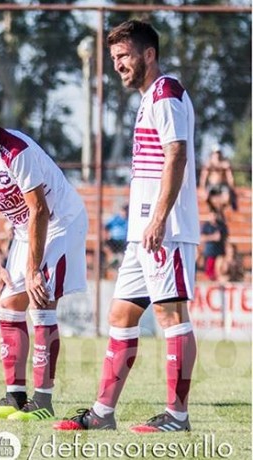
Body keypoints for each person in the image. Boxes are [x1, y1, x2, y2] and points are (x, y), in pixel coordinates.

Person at [54, 19, 199, 433]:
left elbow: (176, 155)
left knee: (172, 315)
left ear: (148, 54)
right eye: (114, 57)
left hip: (166, 230)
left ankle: (177, 416)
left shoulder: (166, 92)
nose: (118, 64)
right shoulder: (149, 97)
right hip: (142, 234)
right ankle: (103, 413)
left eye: (124, 55)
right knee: (121, 314)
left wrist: (159, 218)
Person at [0, 89, 88, 422]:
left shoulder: (15, 150)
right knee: (8, 305)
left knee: (41, 300)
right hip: (26, 229)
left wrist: (33, 268)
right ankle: (14, 396)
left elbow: (39, 209)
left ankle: (43, 401)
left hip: (60, 222)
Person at [199, 146, 236, 211]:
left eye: (218, 153)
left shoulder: (225, 164)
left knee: (227, 198)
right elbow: (203, 177)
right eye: (215, 153)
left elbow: (230, 177)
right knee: (205, 197)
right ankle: (214, 210)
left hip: (222, 185)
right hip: (211, 185)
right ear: (212, 154)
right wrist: (202, 189)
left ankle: (219, 210)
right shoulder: (208, 164)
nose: (217, 155)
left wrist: (232, 188)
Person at [199, 206, 227, 281]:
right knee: (210, 274)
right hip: (210, 252)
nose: (213, 217)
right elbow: (202, 238)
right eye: (212, 215)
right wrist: (213, 237)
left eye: (215, 215)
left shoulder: (221, 226)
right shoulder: (206, 226)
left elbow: (225, 238)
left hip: (220, 252)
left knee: (219, 272)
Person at [104, 204, 129, 270]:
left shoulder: (129, 220)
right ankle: (112, 258)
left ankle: (121, 260)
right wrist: (107, 235)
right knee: (105, 244)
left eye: (126, 212)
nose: (124, 214)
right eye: (123, 211)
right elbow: (106, 226)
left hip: (124, 241)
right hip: (113, 240)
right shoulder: (115, 218)